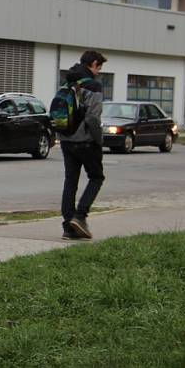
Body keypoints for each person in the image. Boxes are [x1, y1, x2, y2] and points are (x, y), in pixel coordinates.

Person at [59, 49, 107, 240]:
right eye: (99, 68)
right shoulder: (93, 86)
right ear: (93, 64)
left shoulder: (67, 82)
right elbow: (93, 118)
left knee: (70, 181)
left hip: (66, 140)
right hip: (85, 141)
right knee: (96, 177)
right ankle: (80, 216)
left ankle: (67, 228)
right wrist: (98, 140)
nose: (99, 72)